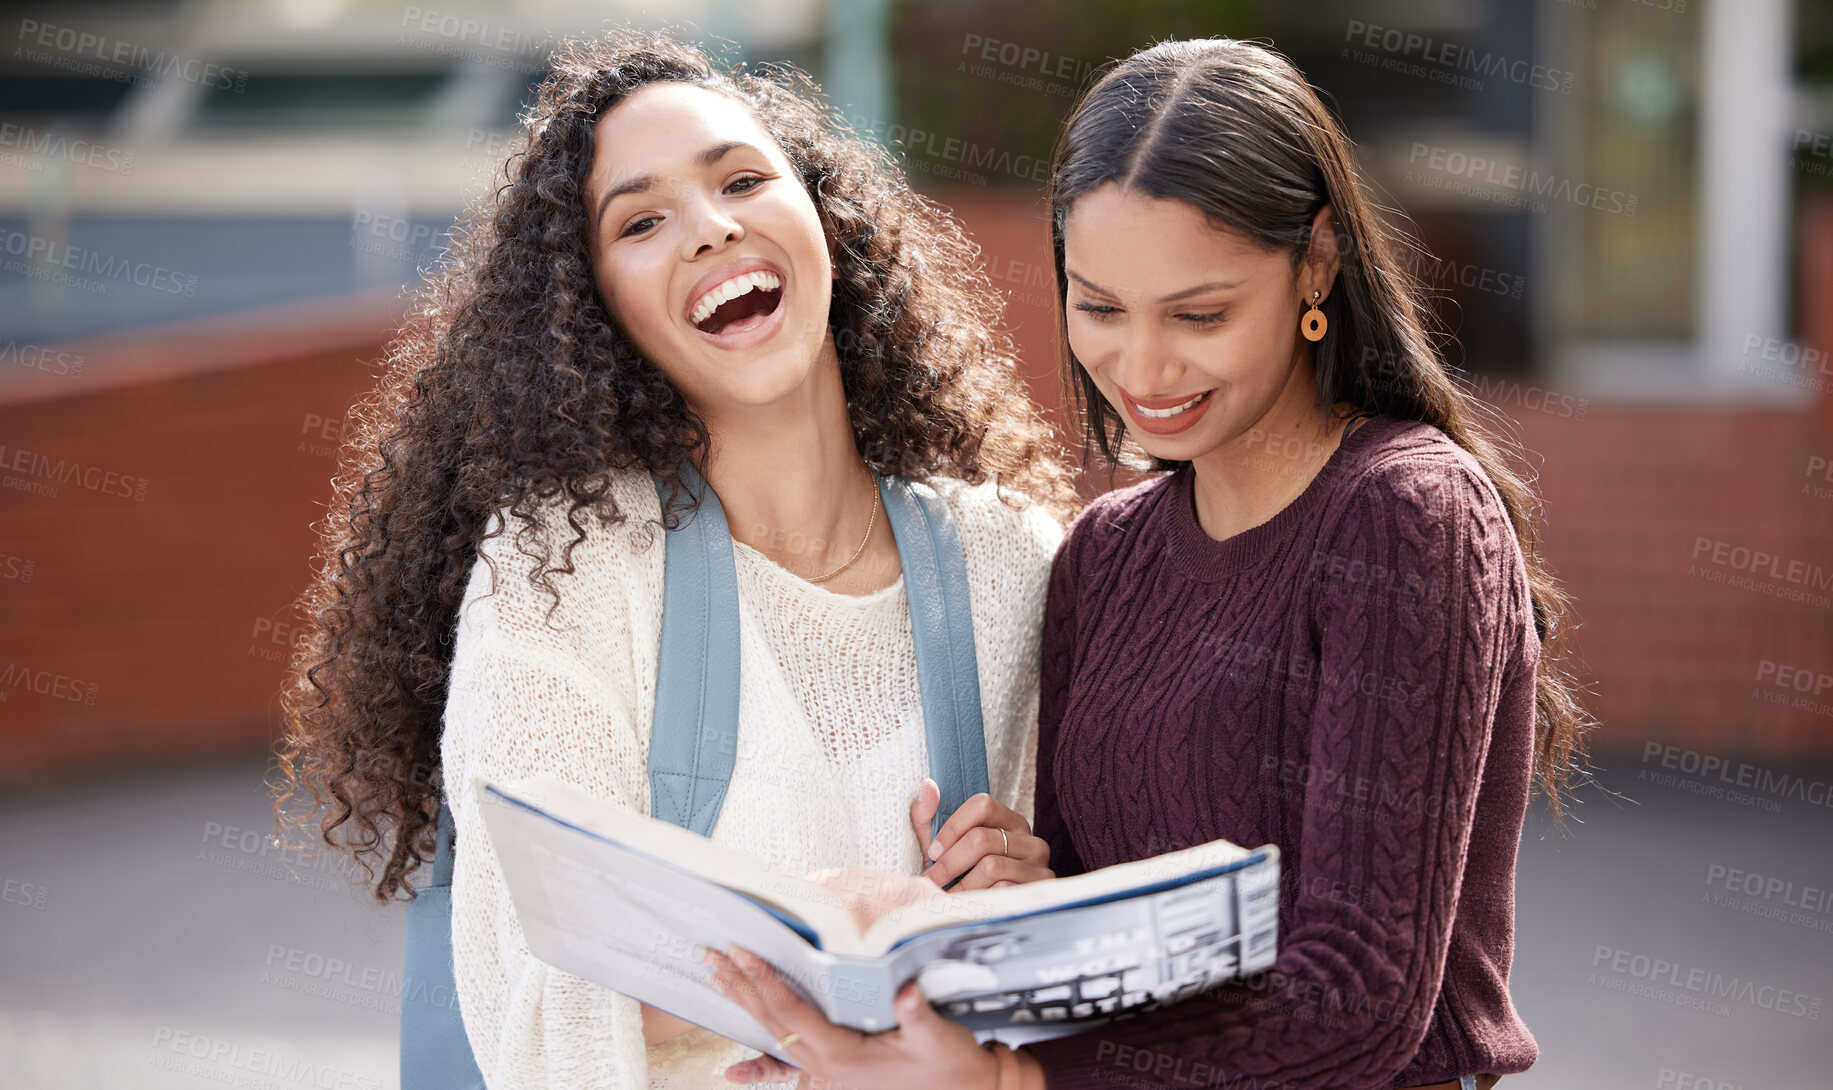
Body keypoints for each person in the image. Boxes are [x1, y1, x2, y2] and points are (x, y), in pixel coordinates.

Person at [708, 37, 1591, 1090]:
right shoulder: (1107, 555)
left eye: (1200, 314)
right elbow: (1125, 949)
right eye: (1102, 308)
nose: (1144, 367)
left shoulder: (1405, 515)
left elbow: (1359, 998)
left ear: (1317, 261)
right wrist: (1027, 890)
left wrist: (1010, 1080)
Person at [270, 30, 1074, 1090]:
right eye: (642, 220)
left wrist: (1038, 895)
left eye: (743, 178)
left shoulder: (1011, 561)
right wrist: (831, 926)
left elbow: (1096, 988)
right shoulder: (568, 574)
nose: (711, 227)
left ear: (826, 217)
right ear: (594, 311)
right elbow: (531, 971)